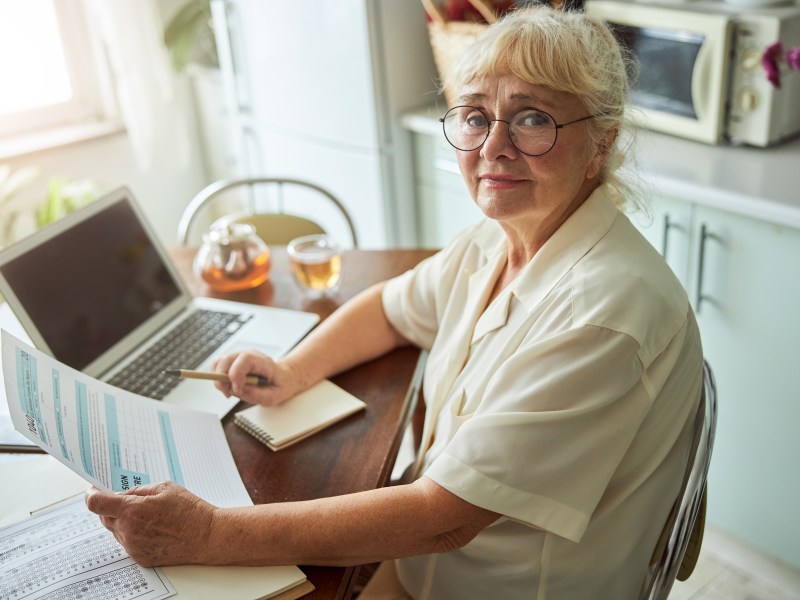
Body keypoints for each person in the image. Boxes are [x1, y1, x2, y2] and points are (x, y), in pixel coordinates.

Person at [85, 5, 703, 598]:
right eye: (474, 115)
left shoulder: (605, 313)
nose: (492, 147)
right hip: (434, 568)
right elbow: (390, 307)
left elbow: (442, 519)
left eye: (533, 118)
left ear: (601, 142)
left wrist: (209, 534)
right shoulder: (494, 240)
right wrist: (293, 371)